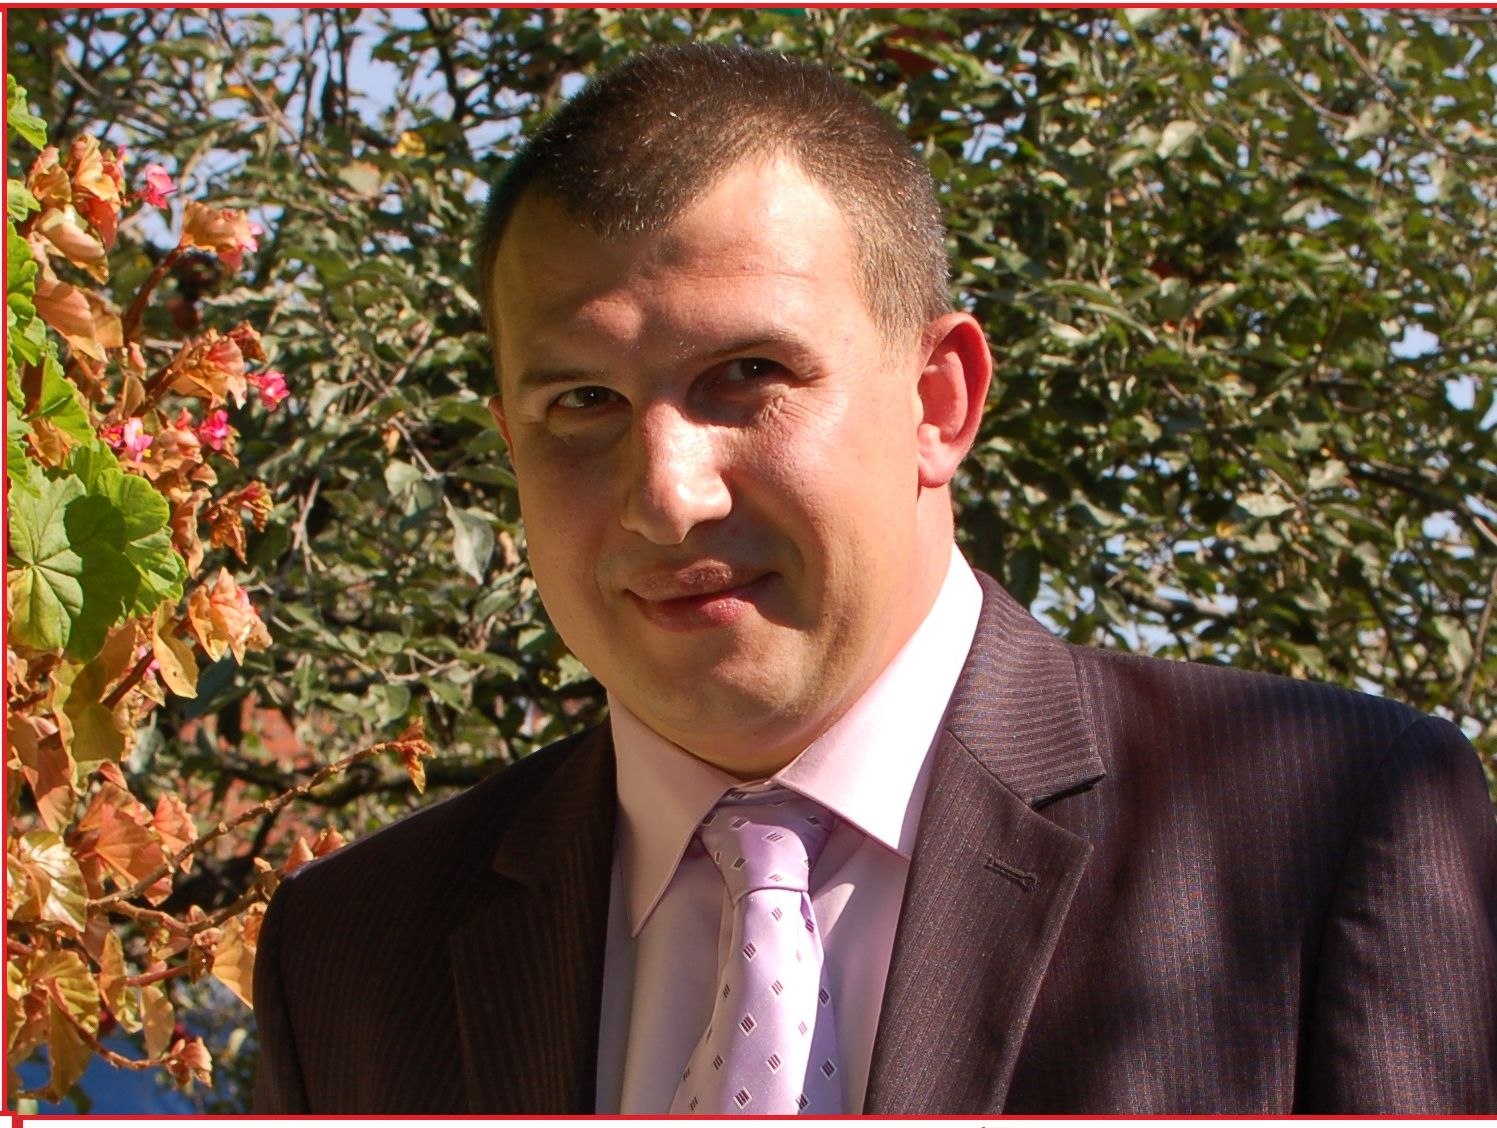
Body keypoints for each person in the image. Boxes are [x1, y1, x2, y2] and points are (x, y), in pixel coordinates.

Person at [252, 43, 1497, 1114]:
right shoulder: (353, 955)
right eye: (582, 401)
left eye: (749, 375)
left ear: (939, 402)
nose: (667, 494)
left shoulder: (1324, 833)